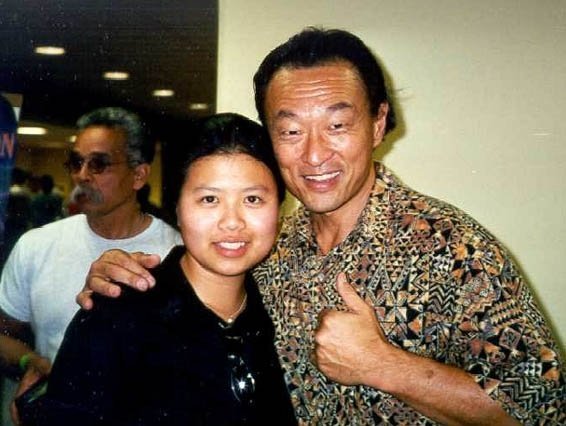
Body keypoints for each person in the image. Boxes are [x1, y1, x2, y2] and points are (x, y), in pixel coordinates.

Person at [80, 28, 565, 425]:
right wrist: (118, 276)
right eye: (291, 131)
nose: (314, 155)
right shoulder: (268, 249)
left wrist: (387, 366)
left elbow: (547, 406)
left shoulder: (451, 249)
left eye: (337, 125)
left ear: (378, 124)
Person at [27, 113, 295, 425]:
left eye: (253, 199)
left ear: (278, 208)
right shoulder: (116, 313)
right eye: (209, 199)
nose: (232, 221)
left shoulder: (281, 308)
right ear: (178, 208)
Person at [0, 107, 182, 424]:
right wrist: (30, 362)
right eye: (76, 162)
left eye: (98, 164)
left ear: (139, 175)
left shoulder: (176, 254)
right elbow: (3, 333)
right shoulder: (36, 245)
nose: (82, 175)